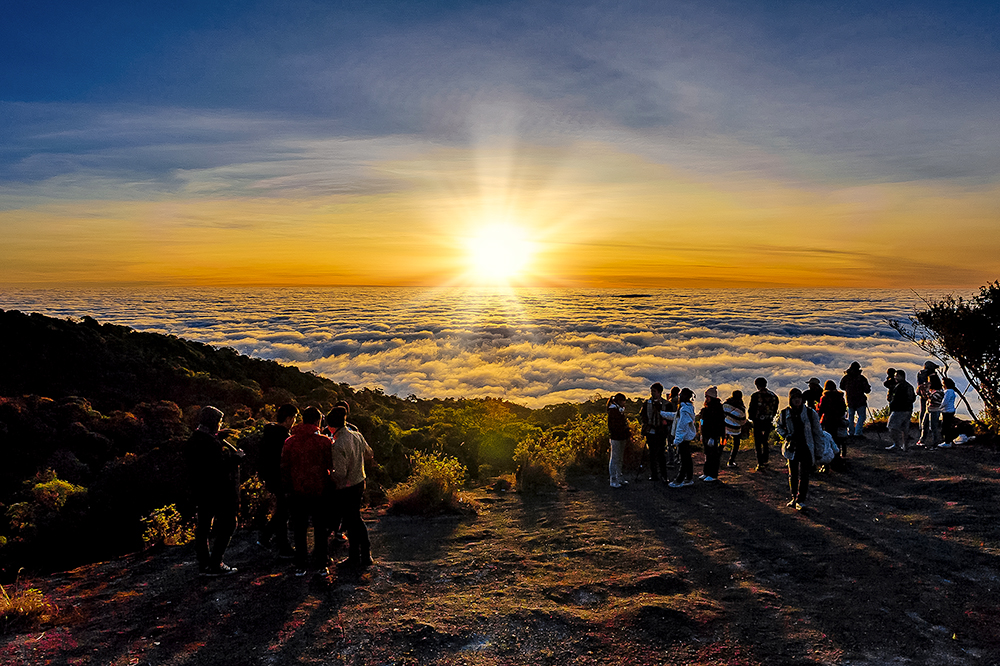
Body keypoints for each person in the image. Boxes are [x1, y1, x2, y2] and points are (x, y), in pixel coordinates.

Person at [185, 406, 244, 576]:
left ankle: (204, 564)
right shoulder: (210, 444)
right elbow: (219, 469)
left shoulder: (194, 440)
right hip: (218, 493)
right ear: (213, 423)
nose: (220, 425)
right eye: (219, 422)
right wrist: (236, 458)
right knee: (229, 524)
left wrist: (218, 437)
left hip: (200, 491)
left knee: (203, 527)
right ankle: (216, 563)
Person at [281, 406, 333, 576]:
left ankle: (300, 563)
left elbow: (285, 467)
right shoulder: (325, 442)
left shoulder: (290, 442)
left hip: (297, 491)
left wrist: (288, 488)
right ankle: (321, 563)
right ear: (318, 421)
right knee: (320, 528)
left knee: (299, 528)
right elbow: (330, 466)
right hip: (320, 490)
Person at [328, 405, 375, 570]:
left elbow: (340, 474)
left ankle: (364, 554)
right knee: (353, 519)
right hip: (360, 482)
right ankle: (356, 556)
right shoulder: (357, 436)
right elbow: (369, 453)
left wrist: (328, 476)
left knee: (353, 520)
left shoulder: (338, 445)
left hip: (346, 487)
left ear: (331, 426)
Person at [258, 404, 298, 557]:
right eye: (293, 418)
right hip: (282, 478)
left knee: (283, 510)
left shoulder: (269, 433)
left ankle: (266, 537)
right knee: (284, 512)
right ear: (288, 419)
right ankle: (283, 547)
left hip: (271, 477)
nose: (294, 421)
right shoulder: (284, 437)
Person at [776, 388, 824, 511]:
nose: (797, 400)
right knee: (793, 474)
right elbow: (779, 426)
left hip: (806, 447)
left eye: (799, 397)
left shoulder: (810, 413)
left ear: (802, 399)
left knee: (804, 475)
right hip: (792, 448)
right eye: (794, 398)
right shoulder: (785, 413)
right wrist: (786, 436)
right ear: (790, 399)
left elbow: (817, 432)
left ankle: (800, 499)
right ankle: (794, 497)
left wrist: (819, 450)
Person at [638, 383, 669, 483]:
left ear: (659, 392)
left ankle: (664, 475)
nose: (652, 393)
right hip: (651, 431)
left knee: (661, 454)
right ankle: (654, 474)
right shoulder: (647, 403)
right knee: (652, 454)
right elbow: (642, 416)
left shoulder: (666, 404)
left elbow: (671, 417)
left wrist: (666, 423)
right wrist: (647, 424)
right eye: (652, 391)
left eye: (654, 391)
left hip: (661, 432)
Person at [748, 377, 779, 471]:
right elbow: (775, 409)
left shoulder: (755, 396)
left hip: (758, 421)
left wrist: (751, 418)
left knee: (758, 442)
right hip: (768, 421)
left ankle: (760, 462)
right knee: (765, 441)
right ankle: (765, 460)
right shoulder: (774, 396)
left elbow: (751, 409)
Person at [668, 388, 697, 488]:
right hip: (686, 438)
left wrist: (677, 440)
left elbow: (681, 426)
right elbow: (676, 417)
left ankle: (679, 480)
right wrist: (662, 414)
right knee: (687, 458)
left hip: (683, 439)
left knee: (684, 459)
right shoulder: (688, 408)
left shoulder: (683, 409)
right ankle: (689, 478)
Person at [698, 387, 726, 482]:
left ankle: (713, 474)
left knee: (713, 455)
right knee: (707, 454)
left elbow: (718, 424)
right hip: (706, 434)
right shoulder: (707, 409)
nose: (706, 398)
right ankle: (706, 473)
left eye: (707, 396)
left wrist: (714, 437)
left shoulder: (717, 409)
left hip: (713, 435)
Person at [885, 370, 917, 452]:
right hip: (908, 410)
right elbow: (913, 398)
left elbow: (895, 399)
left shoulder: (899, 387)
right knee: (904, 429)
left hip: (899, 410)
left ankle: (897, 444)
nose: (895, 377)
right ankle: (905, 446)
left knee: (891, 427)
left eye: (896, 376)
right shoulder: (909, 386)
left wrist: (893, 405)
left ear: (901, 376)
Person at [817, 380, 848, 460]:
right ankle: (839, 453)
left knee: (829, 437)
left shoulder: (824, 397)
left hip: (828, 420)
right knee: (838, 437)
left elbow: (821, 410)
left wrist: (817, 419)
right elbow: (843, 408)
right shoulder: (840, 396)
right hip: (838, 419)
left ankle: (831, 455)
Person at [840, 362, 871, 437]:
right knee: (862, 416)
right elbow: (867, 390)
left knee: (851, 417)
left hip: (850, 400)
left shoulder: (846, 378)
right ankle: (858, 432)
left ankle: (851, 432)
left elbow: (841, 386)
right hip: (860, 400)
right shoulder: (861, 378)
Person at [607, 393, 630, 488]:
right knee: (615, 458)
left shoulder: (617, 410)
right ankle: (613, 479)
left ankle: (619, 477)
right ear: (620, 401)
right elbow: (614, 426)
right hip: (616, 437)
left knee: (619, 458)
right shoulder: (613, 411)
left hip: (620, 437)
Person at [917, 374, 944, 447]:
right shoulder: (932, 390)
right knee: (924, 425)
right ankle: (922, 440)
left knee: (933, 427)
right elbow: (926, 397)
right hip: (928, 410)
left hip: (935, 410)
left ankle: (935, 442)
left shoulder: (939, 391)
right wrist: (922, 390)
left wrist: (927, 390)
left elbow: (933, 399)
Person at [724, 390, 747, 468]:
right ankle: (731, 461)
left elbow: (722, 414)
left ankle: (717, 458)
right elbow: (743, 419)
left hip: (725, 427)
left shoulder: (726, 404)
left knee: (722, 443)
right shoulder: (741, 406)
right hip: (736, 429)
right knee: (736, 444)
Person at [663, 386, 681, 468]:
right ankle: (678, 458)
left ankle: (671, 459)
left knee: (670, 443)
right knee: (677, 443)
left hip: (670, 424)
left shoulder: (669, 403)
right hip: (677, 424)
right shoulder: (679, 403)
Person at [938, 377, 959, 448]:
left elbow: (945, 402)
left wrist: (939, 407)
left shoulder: (948, 392)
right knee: (947, 426)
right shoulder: (951, 391)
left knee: (946, 427)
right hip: (950, 411)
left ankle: (947, 441)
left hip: (947, 411)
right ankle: (948, 441)